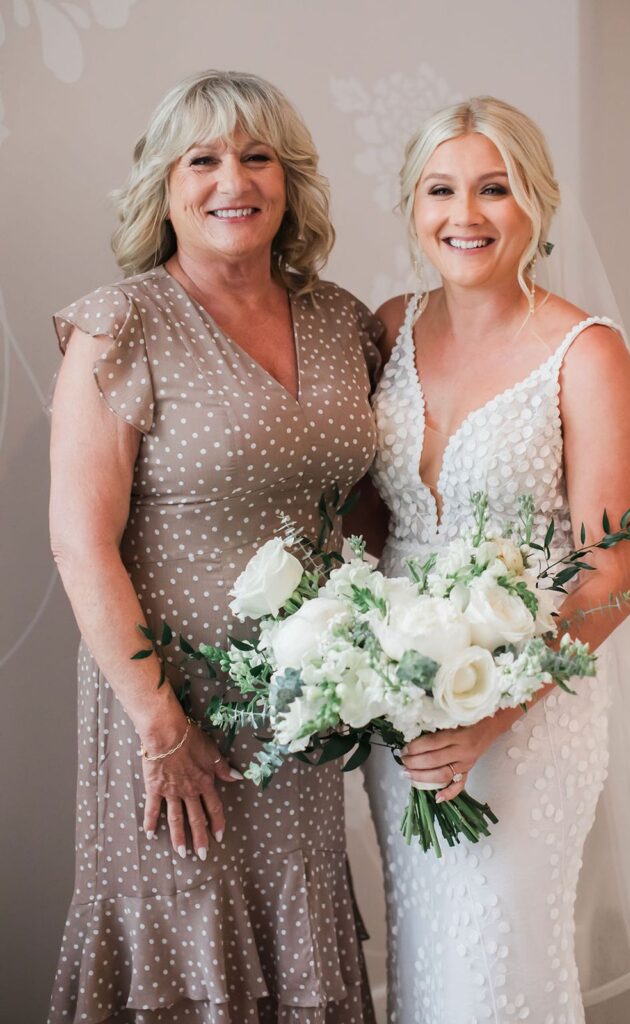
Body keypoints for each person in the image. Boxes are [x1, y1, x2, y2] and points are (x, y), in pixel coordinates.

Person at [48, 70, 381, 1024]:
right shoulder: (121, 324)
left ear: (289, 182)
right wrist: (162, 730)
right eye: (203, 158)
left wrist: (362, 651)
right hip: (168, 716)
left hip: (300, 714)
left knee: (297, 942)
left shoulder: (339, 319)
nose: (232, 179)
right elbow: (79, 542)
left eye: (257, 156)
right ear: (165, 184)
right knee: (179, 955)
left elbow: (365, 500)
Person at [361, 96, 630, 1023]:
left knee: (499, 960)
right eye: (442, 189)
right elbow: (365, 522)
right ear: (413, 205)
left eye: (493, 189)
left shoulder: (585, 355)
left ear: (535, 203)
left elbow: (611, 572)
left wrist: (493, 711)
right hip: (403, 692)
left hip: (533, 703)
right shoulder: (389, 326)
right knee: (425, 949)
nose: (465, 214)